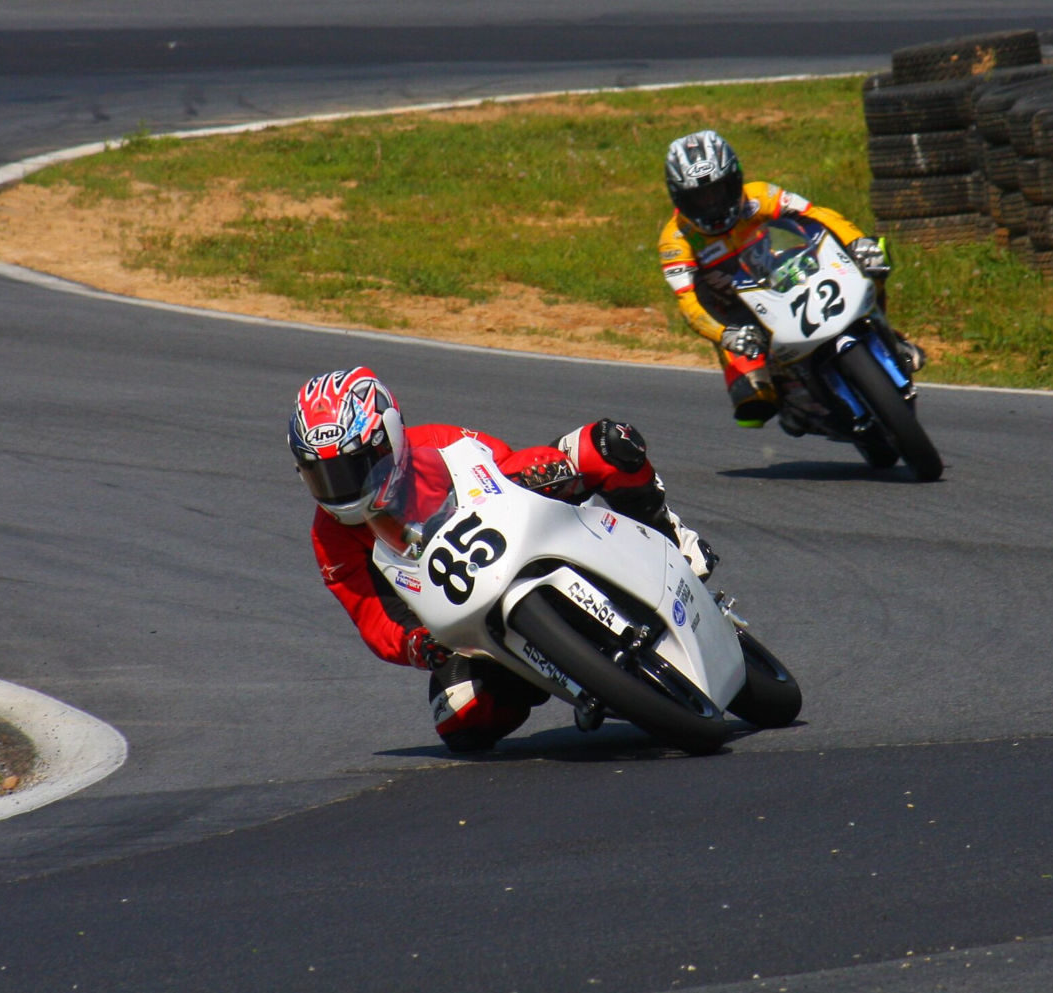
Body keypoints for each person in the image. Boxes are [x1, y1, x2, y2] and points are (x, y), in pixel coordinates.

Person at [291, 367, 716, 753]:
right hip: (462, 620)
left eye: (353, 469)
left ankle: (672, 539)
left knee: (606, 443)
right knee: (461, 716)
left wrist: (543, 473)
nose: (341, 490)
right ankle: (558, 672)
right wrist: (415, 643)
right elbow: (369, 610)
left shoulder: (436, 442)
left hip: (520, 536)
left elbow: (500, 464)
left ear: (389, 441)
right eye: (322, 477)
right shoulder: (329, 535)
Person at [659, 129, 922, 427]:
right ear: (680, 198)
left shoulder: (760, 196)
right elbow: (688, 303)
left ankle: (887, 335)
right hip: (740, 312)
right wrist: (725, 334)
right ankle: (792, 399)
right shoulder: (675, 239)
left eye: (717, 192)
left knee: (874, 260)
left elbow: (818, 215)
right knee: (753, 404)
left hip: (790, 275)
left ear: (734, 180)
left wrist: (857, 242)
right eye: (699, 198)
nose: (711, 204)